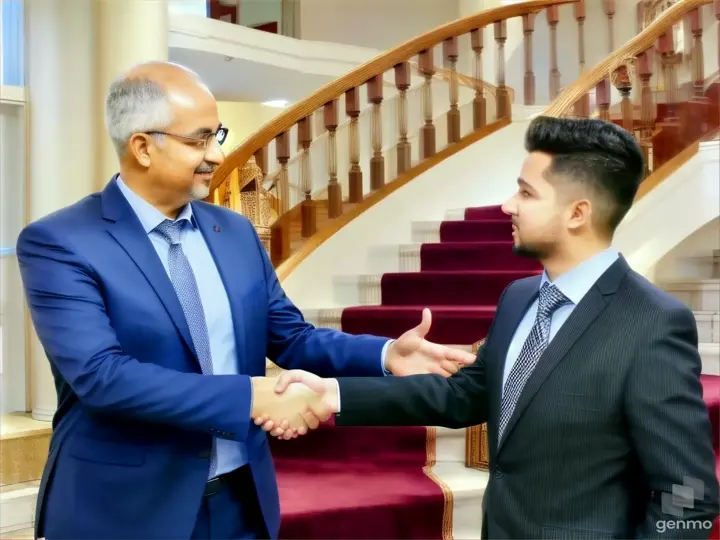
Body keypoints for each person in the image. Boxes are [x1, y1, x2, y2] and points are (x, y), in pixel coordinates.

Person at [16, 61, 476, 540]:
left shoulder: (231, 231)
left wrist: (383, 354)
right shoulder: (61, 241)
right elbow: (102, 377)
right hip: (124, 508)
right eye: (199, 140)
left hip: (242, 500)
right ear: (143, 147)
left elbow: (291, 337)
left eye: (217, 135)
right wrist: (252, 396)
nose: (217, 154)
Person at [261, 116, 720, 539]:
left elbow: (689, 494)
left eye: (526, 193)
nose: (507, 205)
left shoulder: (652, 322)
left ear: (577, 213)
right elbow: (464, 395)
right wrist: (333, 393)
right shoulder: (519, 297)